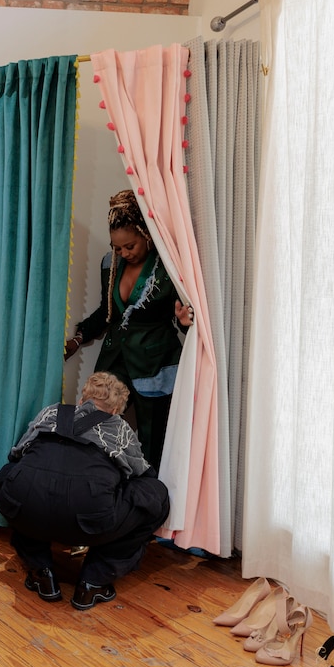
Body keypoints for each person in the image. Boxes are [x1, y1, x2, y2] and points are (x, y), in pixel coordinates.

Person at [0, 372, 169, 610]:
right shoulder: (119, 428)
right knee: (155, 494)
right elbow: (141, 472)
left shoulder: (51, 412)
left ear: (83, 399)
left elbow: (17, 452)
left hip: (26, 509)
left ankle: (41, 571)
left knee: (22, 482)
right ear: (115, 411)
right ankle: (94, 582)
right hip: (87, 520)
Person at [64, 189, 193, 470]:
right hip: (115, 355)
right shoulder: (110, 264)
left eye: (129, 246)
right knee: (92, 423)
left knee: (153, 440)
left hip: (155, 362)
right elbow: (107, 312)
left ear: (147, 235)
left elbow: (183, 311)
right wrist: (78, 338)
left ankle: (150, 498)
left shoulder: (168, 266)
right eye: (117, 247)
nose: (123, 253)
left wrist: (184, 322)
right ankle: (94, 482)